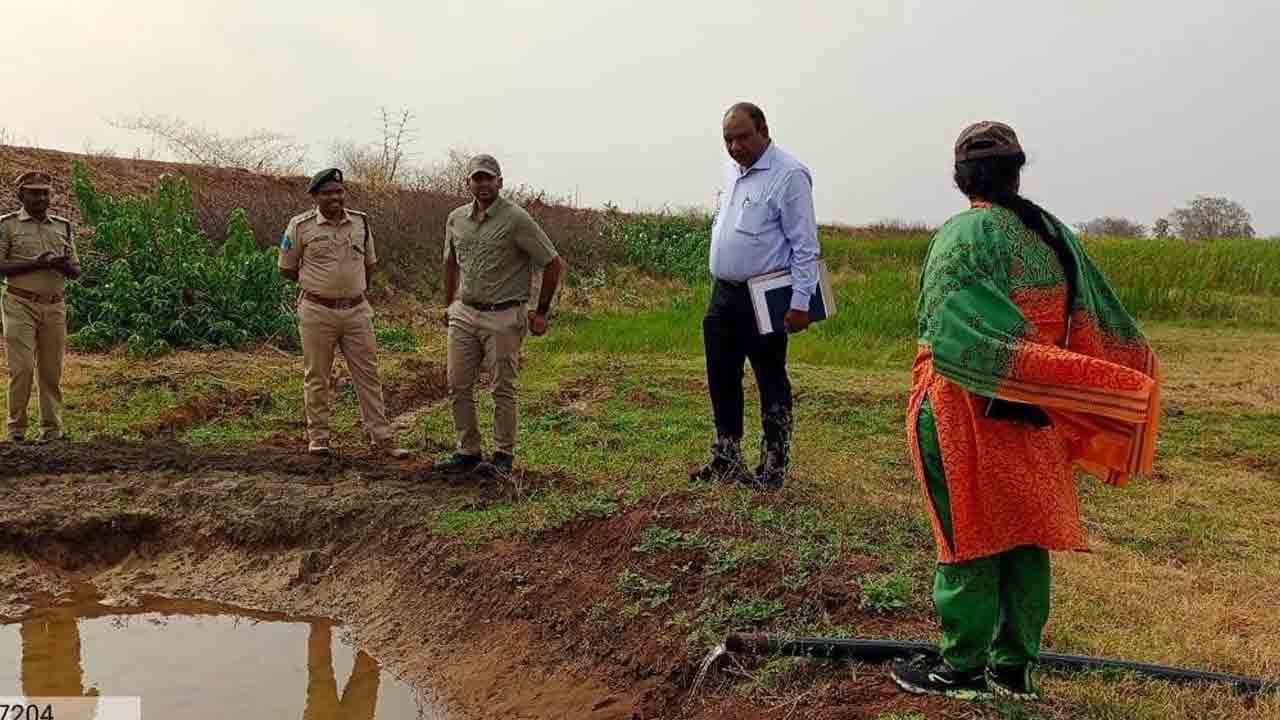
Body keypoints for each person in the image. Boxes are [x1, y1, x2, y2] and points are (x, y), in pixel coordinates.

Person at [890, 122, 1162, 700]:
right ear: (1017, 172)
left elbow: (952, 335)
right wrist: (1066, 378)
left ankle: (960, 669)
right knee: (1025, 531)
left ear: (961, 177)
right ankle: (1014, 669)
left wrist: (1013, 366)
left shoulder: (962, 234)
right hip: (1038, 412)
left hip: (965, 410)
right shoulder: (1052, 234)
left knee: (968, 530)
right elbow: (1099, 321)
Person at [690, 102, 819, 490]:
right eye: (728, 140)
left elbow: (805, 246)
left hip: (765, 296)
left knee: (769, 377)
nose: (735, 147)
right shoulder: (732, 171)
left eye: (742, 137)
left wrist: (800, 304)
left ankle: (773, 467)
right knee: (721, 375)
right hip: (723, 295)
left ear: (763, 129)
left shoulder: (789, 175)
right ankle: (726, 455)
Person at [435, 154, 564, 477]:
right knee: (457, 383)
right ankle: (467, 449)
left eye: (488, 178)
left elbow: (552, 262)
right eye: (477, 179)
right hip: (465, 312)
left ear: (500, 182)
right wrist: (448, 303)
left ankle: (503, 455)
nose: (483, 185)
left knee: (502, 387)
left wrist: (542, 312)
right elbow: (450, 262)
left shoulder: (516, 219)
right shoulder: (456, 219)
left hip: (504, 315)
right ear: (468, 183)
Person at [278, 168, 409, 458]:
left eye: (338, 191)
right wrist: (320, 288)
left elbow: (370, 264)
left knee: (369, 375)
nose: (335, 197)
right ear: (315, 197)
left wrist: (352, 291)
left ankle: (382, 439)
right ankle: (319, 439)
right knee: (317, 376)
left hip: (356, 311)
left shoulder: (361, 223)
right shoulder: (300, 226)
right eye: (327, 193)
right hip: (317, 311)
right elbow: (286, 268)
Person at [1, 171, 80, 444]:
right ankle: (16, 431)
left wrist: (61, 265)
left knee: (51, 371)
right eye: (34, 192)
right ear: (20, 194)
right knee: (21, 369)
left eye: (45, 192)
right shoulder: (7, 226)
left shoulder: (63, 226)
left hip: (55, 305)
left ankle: (51, 430)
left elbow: (76, 271)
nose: (41, 197)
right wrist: (37, 262)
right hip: (19, 303)